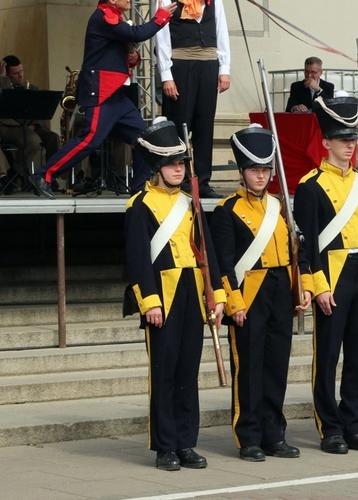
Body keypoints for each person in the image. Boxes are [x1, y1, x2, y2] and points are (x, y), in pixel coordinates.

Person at [293, 95, 358, 454]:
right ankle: (330, 427)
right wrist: (317, 286)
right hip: (331, 276)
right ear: (326, 143)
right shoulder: (310, 186)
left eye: (353, 140)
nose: (350, 147)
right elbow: (306, 244)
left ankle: (355, 424)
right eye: (342, 140)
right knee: (328, 358)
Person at [124, 118, 226, 471]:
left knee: (187, 372)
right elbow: (137, 259)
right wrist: (149, 301)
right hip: (162, 296)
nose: (178, 169)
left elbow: (207, 252)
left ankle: (186, 442)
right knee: (163, 373)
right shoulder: (140, 205)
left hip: (191, 294)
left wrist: (217, 295)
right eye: (171, 164)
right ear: (157, 167)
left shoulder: (190, 202)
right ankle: (165, 446)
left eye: (181, 163)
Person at [210, 125, 313, 462]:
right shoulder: (226, 211)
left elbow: (296, 249)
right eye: (254, 169)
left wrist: (303, 287)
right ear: (242, 172)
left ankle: (274, 434)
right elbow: (223, 263)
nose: (260, 175)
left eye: (265, 169)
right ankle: (249, 436)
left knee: (275, 366)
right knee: (250, 369)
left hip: (281, 291)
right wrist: (233, 302)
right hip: (248, 294)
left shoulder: (280, 206)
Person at [29, 0, 176, 200]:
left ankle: (139, 190)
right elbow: (137, 34)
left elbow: (115, 52)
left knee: (145, 141)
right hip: (102, 92)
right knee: (90, 139)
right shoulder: (103, 16)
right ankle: (42, 175)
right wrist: (160, 17)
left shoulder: (112, 17)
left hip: (116, 95)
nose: (129, 0)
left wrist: (130, 56)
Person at [155, 0, 231, 199]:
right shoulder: (167, 0)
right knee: (180, 123)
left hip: (208, 64)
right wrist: (166, 75)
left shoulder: (213, 1)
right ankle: (177, 178)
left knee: (205, 125)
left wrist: (224, 69)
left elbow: (221, 30)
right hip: (180, 64)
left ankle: (202, 182)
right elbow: (161, 36)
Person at [0, 55, 60, 178]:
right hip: (10, 126)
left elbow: (39, 110)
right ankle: (16, 174)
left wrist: (35, 124)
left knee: (53, 138)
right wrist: (2, 78)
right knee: (32, 140)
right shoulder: (3, 85)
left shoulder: (31, 87)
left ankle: (50, 175)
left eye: (21, 71)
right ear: (7, 74)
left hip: (31, 125)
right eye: (16, 73)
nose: (21, 75)